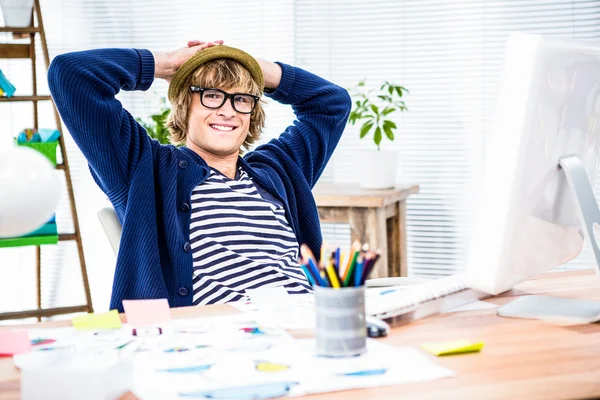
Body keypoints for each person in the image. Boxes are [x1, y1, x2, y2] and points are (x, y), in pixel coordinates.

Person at [48, 40, 351, 311]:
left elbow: (332, 104)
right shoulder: (146, 168)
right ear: (184, 106)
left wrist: (251, 66)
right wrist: (168, 63)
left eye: (241, 99)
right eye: (211, 95)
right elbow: (71, 74)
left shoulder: (279, 169)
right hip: (217, 340)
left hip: (309, 323)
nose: (228, 110)